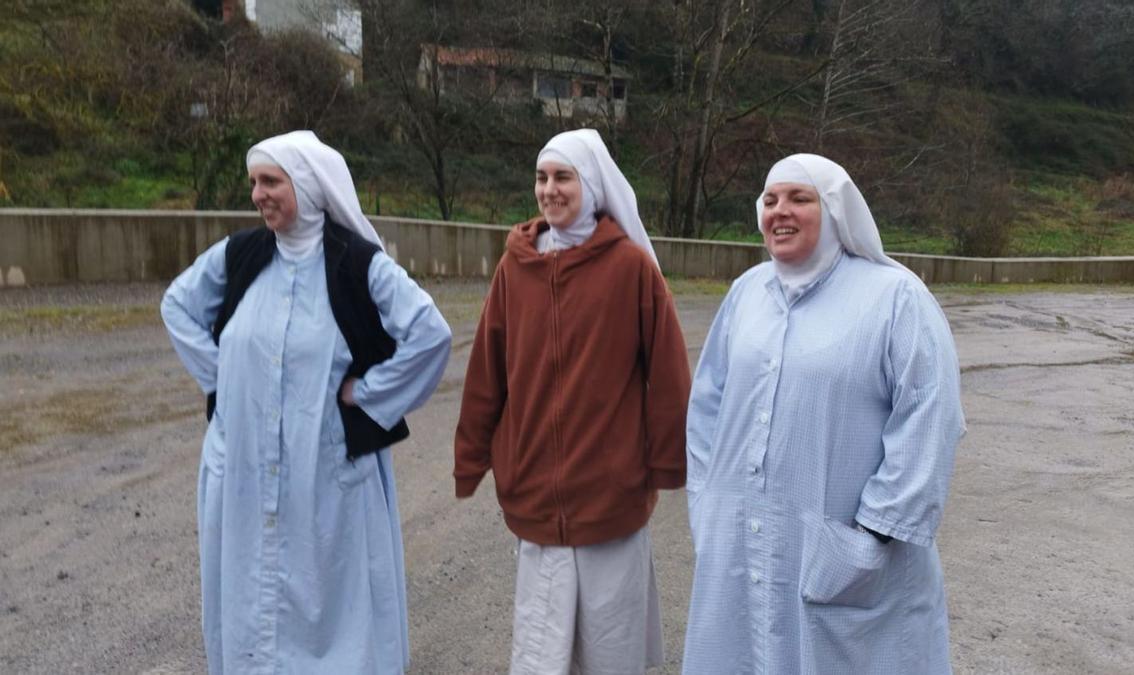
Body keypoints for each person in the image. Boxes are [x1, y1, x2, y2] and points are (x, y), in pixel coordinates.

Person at [161, 130, 452, 674]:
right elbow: (178, 305)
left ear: (309, 186)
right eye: (254, 183)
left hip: (327, 474)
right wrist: (223, 379)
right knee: (252, 602)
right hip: (245, 469)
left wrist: (368, 395)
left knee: (332, 609)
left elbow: (430, 335)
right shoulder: (240, 256)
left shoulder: (357, 266)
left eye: (271, 181)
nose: (258, 195)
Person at [682, 154, 966, 673]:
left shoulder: (894, 298)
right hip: (740, 541)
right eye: (770, 200)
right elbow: (706, 406)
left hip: (849, 551)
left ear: (834, 210)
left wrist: (874, 533)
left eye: (799, 198)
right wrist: (706, 502)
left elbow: (930, 415)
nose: (780, 211)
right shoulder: (747, 294)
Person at [453, 128, 691, 674]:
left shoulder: (630, 268)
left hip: (611, 497)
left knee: (610, 649)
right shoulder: (516, 267)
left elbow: (668, 374)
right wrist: (473, 457)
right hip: (536, 495)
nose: (549, 189)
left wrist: (662, 463)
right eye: (542, 177)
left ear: (591, 184)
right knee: (542, 653)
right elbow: (487, 371)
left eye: (563, 177)